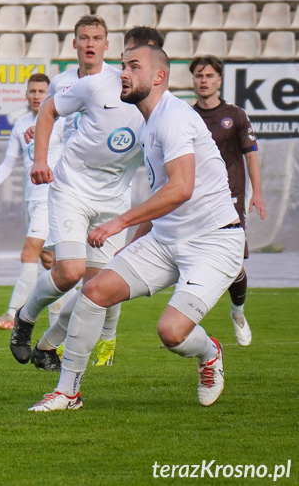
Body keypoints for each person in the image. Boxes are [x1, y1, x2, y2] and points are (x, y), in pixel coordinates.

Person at [29, 45, 243, 411]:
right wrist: (135, 242)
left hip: (213, 241)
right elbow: (164, 193)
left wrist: (119, 223)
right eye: (123, 66)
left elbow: (181, 188)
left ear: (158, 77)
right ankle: (68, 392)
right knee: (95, 291)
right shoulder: (148, 121)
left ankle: (209, 352)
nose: (122, 74)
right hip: (166, 239)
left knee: (171, 333)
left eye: (133, 67)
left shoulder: (172, 118)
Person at [9, 19, 151, 372]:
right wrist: (41, 157)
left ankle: (48, 347)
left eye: (97, 38)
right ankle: (25, 318)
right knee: (69, 270)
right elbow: (51, 112)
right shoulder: (87, 85)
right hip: (71, 185)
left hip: (114, 200)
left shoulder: (162, 109)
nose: (91, 44)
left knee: (99, 289)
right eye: (85, 38)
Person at [190, 55, 265, 347]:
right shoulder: (187, 115)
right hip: (194, 200)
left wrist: (256, 192)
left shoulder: (235, 115)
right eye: (199, 76)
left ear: (219, 80)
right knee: (194, 259)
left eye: (209, 75)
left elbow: (251, 155)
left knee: (234, 266)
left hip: (230, 198)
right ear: (193, 80)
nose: (204, 80)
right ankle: (188, 315)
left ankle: (238, 312)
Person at [0, 74, 62, 330]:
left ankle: (13, 313)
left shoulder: (61, 124)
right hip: (31, 199)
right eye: (33, 91)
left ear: (49, 96)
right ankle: (64, 317)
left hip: (50, 198)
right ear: (26, 95)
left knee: (29, 253)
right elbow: (9, 161)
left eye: (42, 91)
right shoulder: (20, 126)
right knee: (51, 262)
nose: (37, 95)